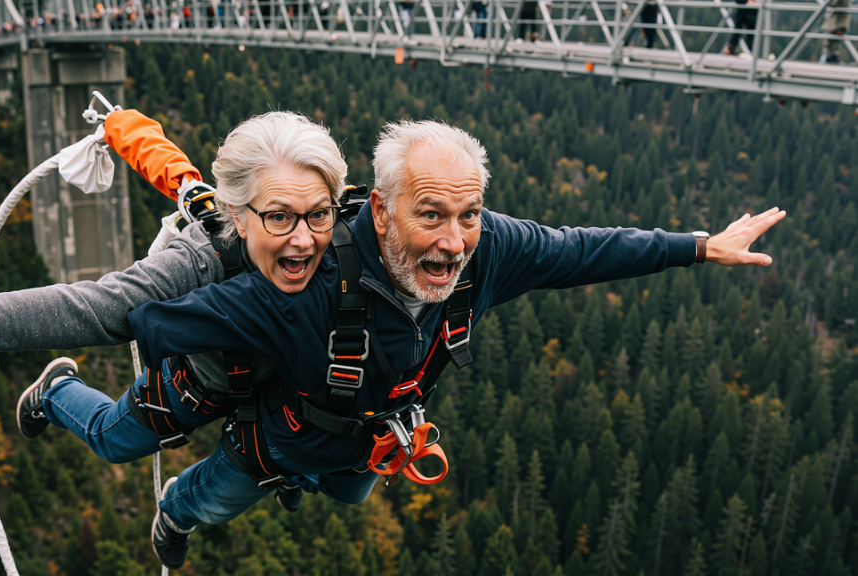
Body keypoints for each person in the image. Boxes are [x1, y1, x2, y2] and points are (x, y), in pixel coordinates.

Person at [121, 120, 786, 570]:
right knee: (211, 500)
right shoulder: (311, 273)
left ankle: (301, 480)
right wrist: (191, 382)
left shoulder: (489, 248)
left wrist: (697, 247)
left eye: (467, 216)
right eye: (431, 215)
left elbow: (586, 249)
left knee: (348, 492)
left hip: (365, 435)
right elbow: (158, 320)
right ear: (382, 212)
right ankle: (171, 511)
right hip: (283, 426)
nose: (454, 240)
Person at [0, 110, 350, 512]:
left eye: (318, 215)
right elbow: (90, 306)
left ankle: (283, 471)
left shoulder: (347, 245)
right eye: (279, 217)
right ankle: (55, 392)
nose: (303, 240)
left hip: (286, 397)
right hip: (200, 382)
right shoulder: (198, 262)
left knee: (340, 469)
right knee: (113, 441)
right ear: (238, 215)